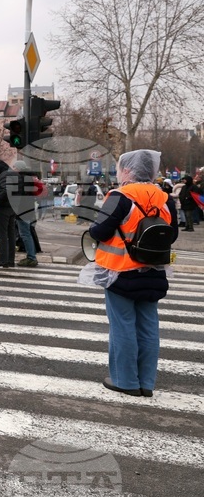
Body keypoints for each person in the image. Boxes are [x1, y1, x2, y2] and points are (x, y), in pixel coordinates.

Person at [88, 149, 177, 398]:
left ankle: (125, 381)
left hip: (121, 272)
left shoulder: (120, 196)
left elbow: (99, 231)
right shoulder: (165, 198)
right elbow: (173, 234)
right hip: (154, 272)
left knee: (122, 327)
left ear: (127, 170)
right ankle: (146, 382)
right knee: (149, 327)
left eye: (119, 168)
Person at [12, 160, 40, 268]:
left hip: (22, 210)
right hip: (28, 209)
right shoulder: (29, 178)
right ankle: (31, 256)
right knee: (26, 233)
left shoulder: (21, 179)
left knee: (25, 234)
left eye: (14, 167)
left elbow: (19, 196)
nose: (13, 169)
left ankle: (31, 257)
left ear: (19, 168)